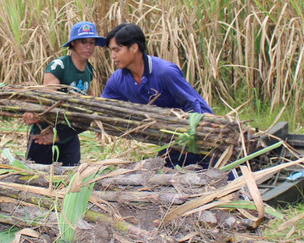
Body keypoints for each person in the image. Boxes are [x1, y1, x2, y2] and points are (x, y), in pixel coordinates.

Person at [101, 22, 214, 167]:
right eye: (111, 51)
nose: (112, 56)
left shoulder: (165, 72)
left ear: (134, 47)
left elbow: (192, 104)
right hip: (169, 138)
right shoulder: (118, 79)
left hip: (199, 133)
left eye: (117, 50)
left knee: (219, 173)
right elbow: (104, 105)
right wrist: (100, 123)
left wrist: (191, 136)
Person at [22, 21, 106, 166]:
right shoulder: (59, 67)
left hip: (68, 135)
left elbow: (89, 97)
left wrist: (98, 119)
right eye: (83, 42)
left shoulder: (88, 70)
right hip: (44, 135)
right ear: (73, 43)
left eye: (92, 43)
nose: (88, 46)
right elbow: (47, 99)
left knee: (71, 176)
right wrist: (32, 113)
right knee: (37, 175)